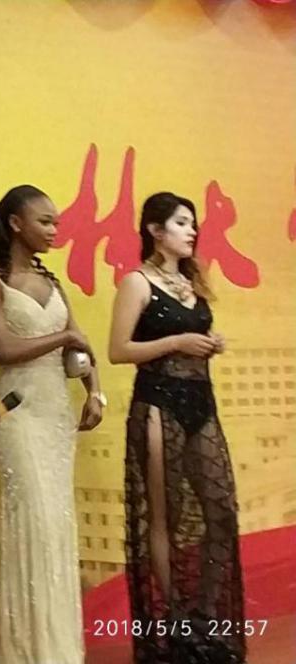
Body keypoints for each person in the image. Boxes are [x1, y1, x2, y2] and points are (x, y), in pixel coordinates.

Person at [109, 192, 245, 663]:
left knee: (221, 510)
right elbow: (119, 350)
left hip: (200, 403)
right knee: (163, 516)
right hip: (158, 402)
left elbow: (192, 340)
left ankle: (204, 613)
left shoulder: (191, 281)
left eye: (193, 224)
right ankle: (175, 621)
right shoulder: (137, 282)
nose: (192, 231)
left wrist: (207, 342)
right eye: (182, 223)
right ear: (154, 229)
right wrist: (177, 342)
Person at [0, 185, 104, 663]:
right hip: (17, 413)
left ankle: (57, 647)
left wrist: (94, 391)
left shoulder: (54, 281)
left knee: (56, 528)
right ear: (15, 224)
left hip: (56, 416)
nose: (53, 230)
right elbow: (5, 349)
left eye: (56, 222)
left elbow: (79, 347)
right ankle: (24, 650)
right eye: (44, 221)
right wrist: (63, 337)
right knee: (32, 523)